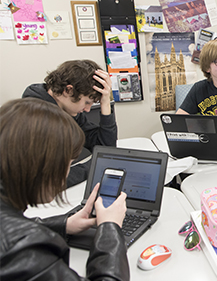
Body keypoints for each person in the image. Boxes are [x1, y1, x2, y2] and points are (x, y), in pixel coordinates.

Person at [0, 98, 129, 281]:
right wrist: (110, 227)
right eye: (68, 163)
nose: (67, 172)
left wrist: (63, 225)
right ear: (43, 165)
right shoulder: (23, 252)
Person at [22, 60, 117, 187]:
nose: (88, 110)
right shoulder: (37, 118)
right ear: (68, 90)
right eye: (87, 102)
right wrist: (96, 166)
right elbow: (48, 181)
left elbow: (105, 148)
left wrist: (105, 103)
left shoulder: (66, 110)